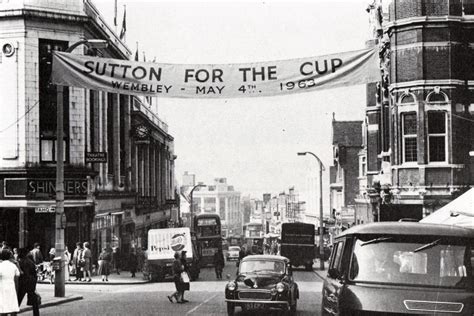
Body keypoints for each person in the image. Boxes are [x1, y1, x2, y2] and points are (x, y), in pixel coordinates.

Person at [17, 248, 40, 316]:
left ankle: (14, 313)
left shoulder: (20, 262)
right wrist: (34, 285)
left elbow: (22, 274)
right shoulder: (31, 262)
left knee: (18, 299)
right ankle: (36, 314)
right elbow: (34, 274)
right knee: (34, 302)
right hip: (31, 283)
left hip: (23, 283)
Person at [0, 249, 20, 315]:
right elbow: (17, 276)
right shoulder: (13, 266)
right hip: (11, 287)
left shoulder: (1, 266)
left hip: (2, 287)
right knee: (12, 306)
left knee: (3, 308)